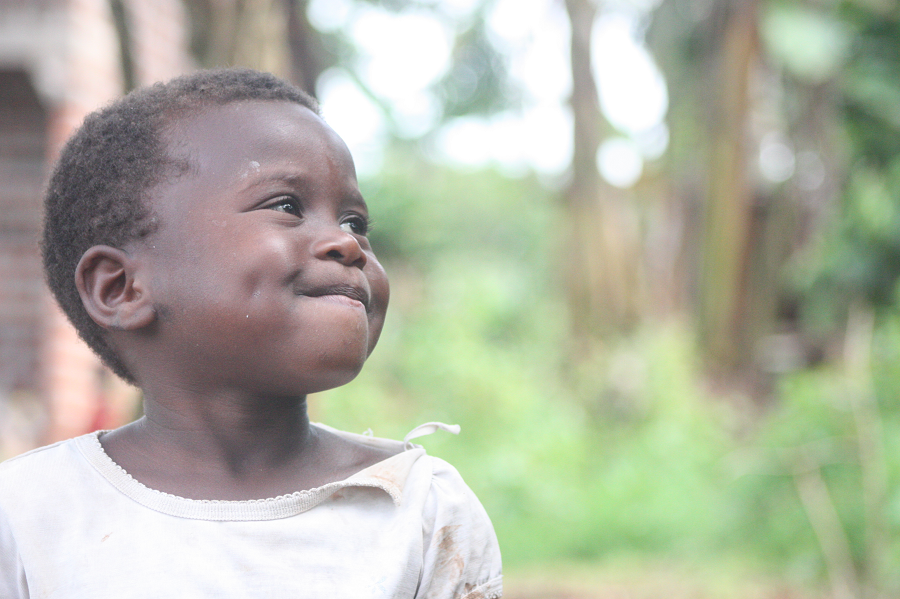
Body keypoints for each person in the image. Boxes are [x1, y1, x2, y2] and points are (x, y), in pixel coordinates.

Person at [0, 68, 502, 598]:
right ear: (122, 288)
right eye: (286, 206)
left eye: (355, 221)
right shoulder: (31, 515)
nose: (346, 243)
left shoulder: (419, 511)